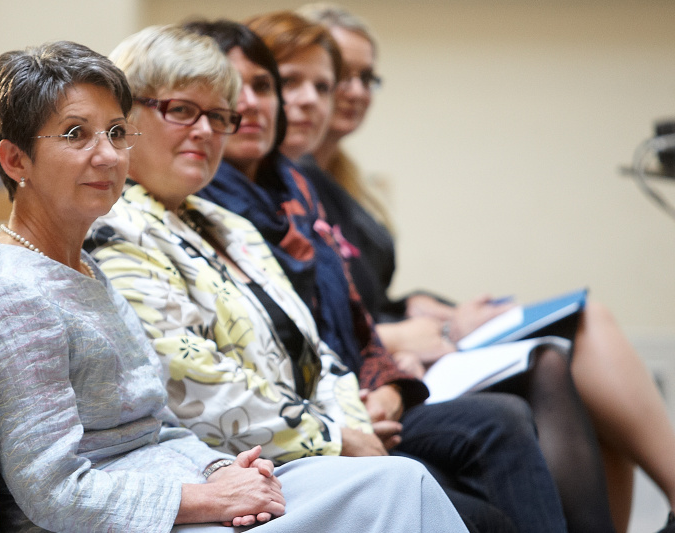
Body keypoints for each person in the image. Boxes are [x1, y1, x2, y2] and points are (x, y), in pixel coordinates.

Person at [0, 38, 468, 533]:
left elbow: (156, 425)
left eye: (116, 132)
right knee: (396, 497)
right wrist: (211, 498)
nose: (107, 155)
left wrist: (223, 471)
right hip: (133, 520)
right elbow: (54, 494)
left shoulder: (75, 265)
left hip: (184, 489)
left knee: (403, 481)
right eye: (76, 134)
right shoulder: (13, 293)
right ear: (16, 160)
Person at [87, 21, 570, 533]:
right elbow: (190, 379)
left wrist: (353, 427)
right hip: (228, 468)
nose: (205, 131)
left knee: (483, 491)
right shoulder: (113, 226)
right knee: (476, 515)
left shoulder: (225, 224)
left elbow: (320, 352)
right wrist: (335, 437)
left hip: (305, 442)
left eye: (219, 116)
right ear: (124, 121)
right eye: (182, 110)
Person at [297, 4, 675, 533]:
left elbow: (364, 289)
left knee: (585, 327)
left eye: (366, 77)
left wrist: (420, 305)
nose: (351, 91)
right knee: (569, 342)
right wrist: (437, 328)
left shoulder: (339, 181)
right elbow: (316, 311)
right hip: (376, 364)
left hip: (393, 344)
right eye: (336, 76)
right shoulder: (288, 188)